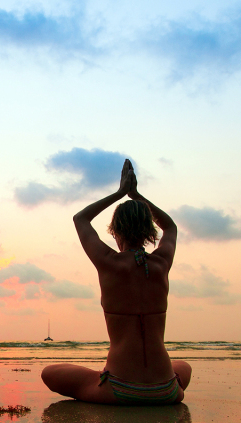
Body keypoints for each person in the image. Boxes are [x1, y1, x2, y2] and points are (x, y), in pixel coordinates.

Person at [41, 159, 192, 404]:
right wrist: (137, 195)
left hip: (121, 390)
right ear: (149, 232)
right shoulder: (161, 263)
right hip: (166, 391)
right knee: (183, 366)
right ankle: (161, 385)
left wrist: (120, 193)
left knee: (49, 373)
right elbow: (171, 227)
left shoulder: (108, 262)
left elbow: (81, 219)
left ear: (115, 231)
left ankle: (110, 380)